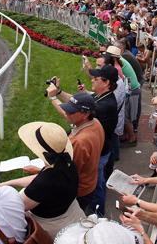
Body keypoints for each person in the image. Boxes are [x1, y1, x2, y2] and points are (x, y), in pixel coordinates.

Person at [46, 64, 118, 216]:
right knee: (96, 184)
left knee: (94, 186)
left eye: (96, 78)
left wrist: (53, 97)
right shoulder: (101, 98)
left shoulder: (104, 106)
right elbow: (75, 104)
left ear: (106, 83)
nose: (91, 79)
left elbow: (70, 115)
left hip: (96, 155)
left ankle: (96, 218)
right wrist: (58, 92)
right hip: (98, 149)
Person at [0, 122, 83, 238]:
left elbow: (18, 206)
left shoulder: (44, 182)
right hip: (71, 213)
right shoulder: (67, 163)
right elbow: (38, 178)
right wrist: (7, 183)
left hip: (51, 227)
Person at [54, 93, 104, 210]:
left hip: (79, 192)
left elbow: (68, 174)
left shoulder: (78, 142)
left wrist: (37, 171)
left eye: (71, 112)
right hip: (90, 183)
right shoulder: (95, 122)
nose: (67, 113)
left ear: (86, 115)